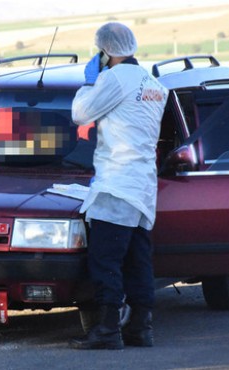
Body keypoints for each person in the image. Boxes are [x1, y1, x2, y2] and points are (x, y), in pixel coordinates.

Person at [69, 22, 168, 349]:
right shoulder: (152, 82)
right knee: (139, 258)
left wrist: (89, 82)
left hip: (117, 183)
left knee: (106, 258)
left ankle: (108, 329)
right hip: (142, 186)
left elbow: (81, 114)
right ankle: (141, 327)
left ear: (104, 51)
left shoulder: (114, 78)